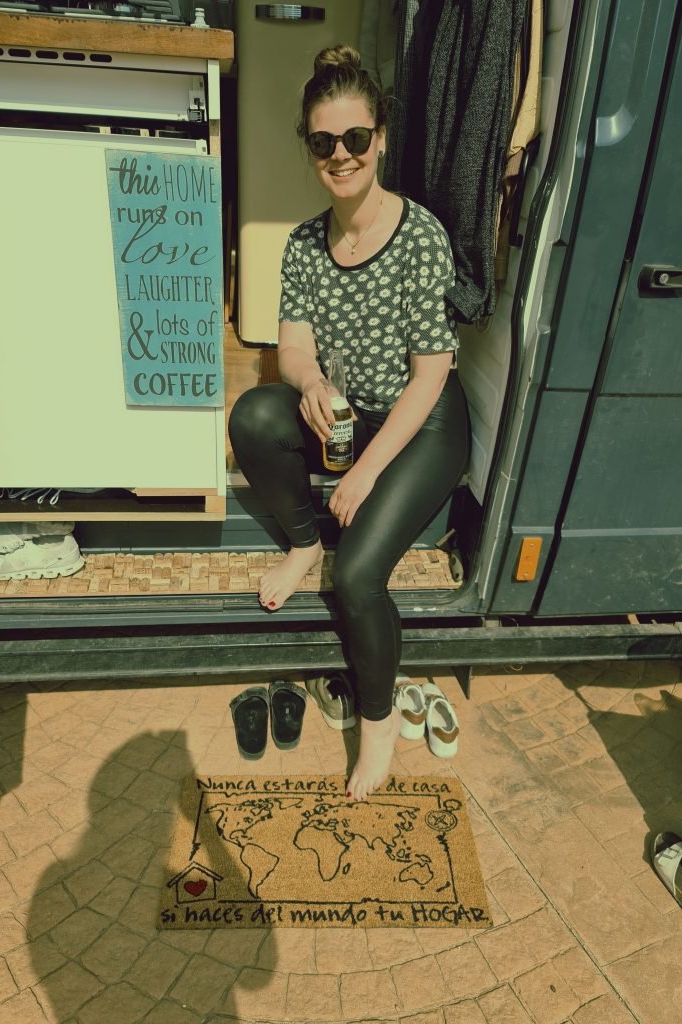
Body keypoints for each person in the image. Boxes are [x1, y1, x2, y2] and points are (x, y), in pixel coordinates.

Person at [228, 45, 470, 802]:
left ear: (381, 139)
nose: (341, 156)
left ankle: (377, 723)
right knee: (255, 414)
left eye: (355, 139)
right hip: (349, 412)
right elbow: (291, 345)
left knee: (359, 575)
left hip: (420, 423)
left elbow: (431, 375)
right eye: (324, 142)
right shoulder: (303, 244)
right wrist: (309, 381)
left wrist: (364, 474)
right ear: (310, 148)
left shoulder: (421, 237)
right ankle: (302, 542)